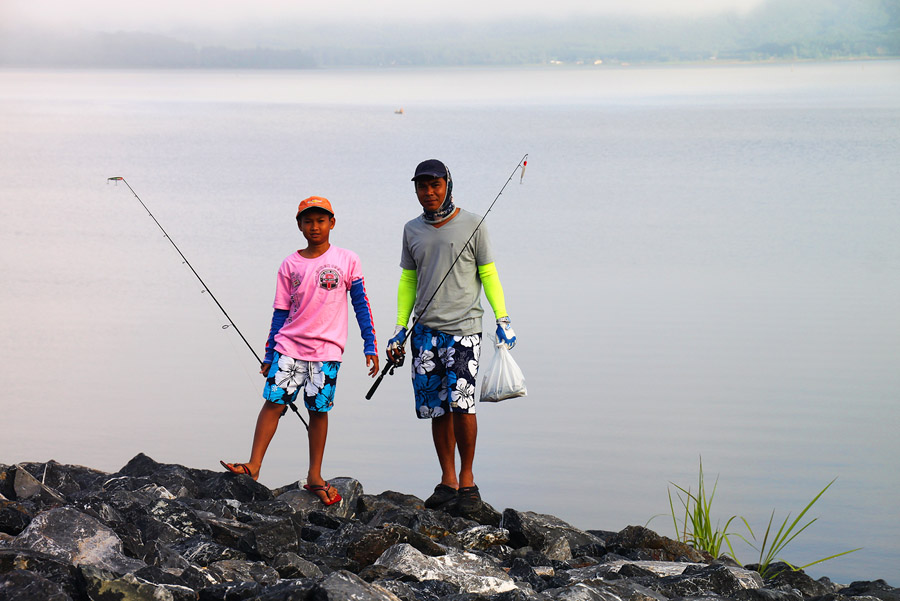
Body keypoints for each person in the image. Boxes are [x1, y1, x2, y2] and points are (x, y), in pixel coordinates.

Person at [221, 196, 378, 505]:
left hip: (328, 351)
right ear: (299, 226)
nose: (314, 226)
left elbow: (361, 304)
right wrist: (269, 355)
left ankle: (315, 476)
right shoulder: (289, 264)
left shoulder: (348, 260)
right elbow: (280, 312)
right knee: (274, 404)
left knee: (319, 411)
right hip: (289, 347)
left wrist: (369, 343)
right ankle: (253, 466)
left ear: (332, 223)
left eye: (321, 220)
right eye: (308, 221)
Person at [386, 159, 517, 514]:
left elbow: (488, 274)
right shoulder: (411, 230)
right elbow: (408, 280)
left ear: (448, 185)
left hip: (464, 331)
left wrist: (502, 318)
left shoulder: (474, 224)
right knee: (436, 408)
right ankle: (447, 481)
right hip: (424, 332)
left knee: (463, 406)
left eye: (435, 185)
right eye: (422, 186)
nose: (429, 192)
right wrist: (400, 328)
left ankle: (468, 481)